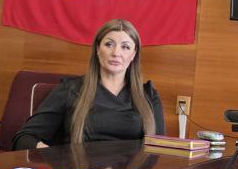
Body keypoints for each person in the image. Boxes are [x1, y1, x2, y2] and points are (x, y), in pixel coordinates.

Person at [12, 19, 163, 149]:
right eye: (109, 44)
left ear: (134, 54)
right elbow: (24, 138)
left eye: (125, 47)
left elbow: (161, 151)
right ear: (97, 49)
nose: (116, 53)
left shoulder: (149, 95)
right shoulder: (70, 90)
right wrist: (55, 158)